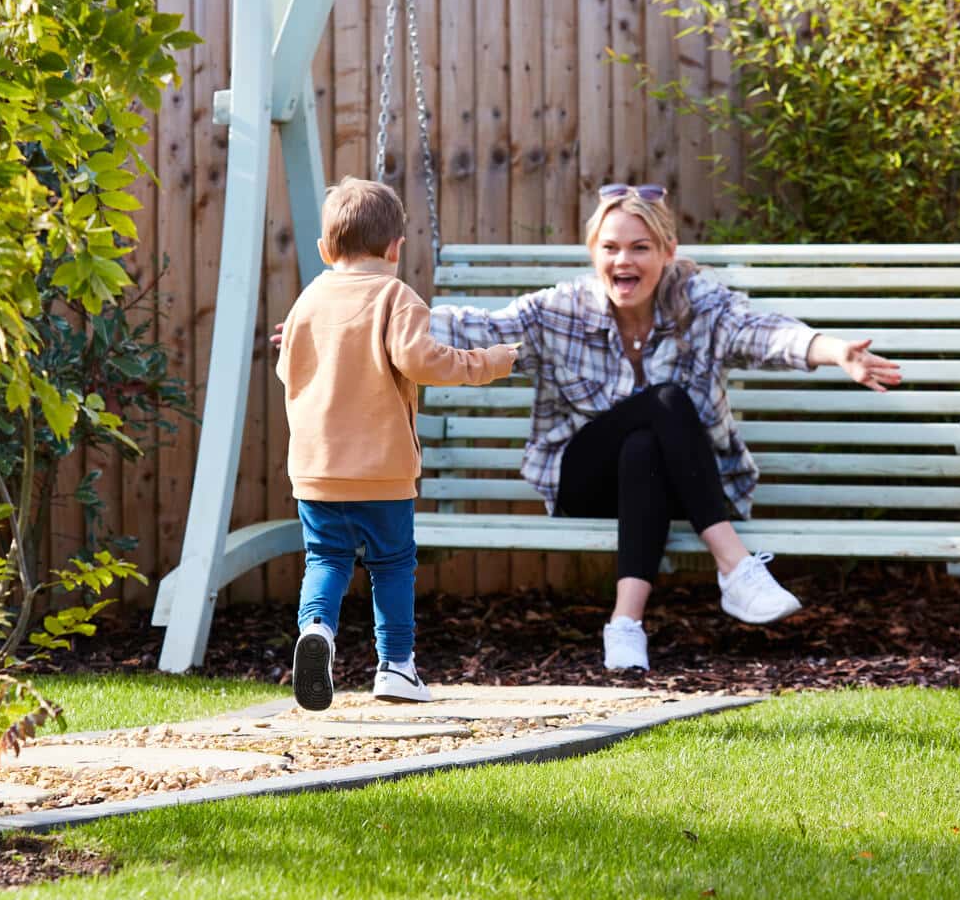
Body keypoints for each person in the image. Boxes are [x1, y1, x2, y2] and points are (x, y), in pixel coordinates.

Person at [429, 185, 902, 671]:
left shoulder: (700, 304)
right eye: (610, 248)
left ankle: (625, 625)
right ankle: (736, 568)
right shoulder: (562, 309)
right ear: (593, 253)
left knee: (645, 446)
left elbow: (764, 333)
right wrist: (373, 307)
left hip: (680, 487)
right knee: (663, 402)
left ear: (669, 252)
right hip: (585, 484)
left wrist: (831, 350)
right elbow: (478, 329)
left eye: (640, 247)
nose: (622, 260)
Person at [276, 179, 519, 710]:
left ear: (325, 250)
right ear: (394, 248)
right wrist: (491, 362)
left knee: (325, 557)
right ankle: (396, 667)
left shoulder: (308, 300)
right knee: (391, 565)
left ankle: (316, 629)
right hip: (382, 471)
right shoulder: (395, 296)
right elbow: (421, 361)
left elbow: (285, 367)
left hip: (316, 470)